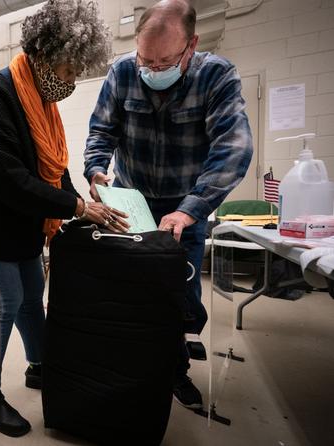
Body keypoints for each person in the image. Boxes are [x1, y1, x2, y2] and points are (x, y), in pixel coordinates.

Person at [0, 0, 129, 437]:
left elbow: (54, 166)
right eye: (65, 72)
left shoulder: (41, 103)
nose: (69, 83)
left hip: (18, 221)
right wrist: (77, 208)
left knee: (31, 293)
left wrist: (82, 203)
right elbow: (7, 178)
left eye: (75, 75)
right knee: (4, 300)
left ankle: (40, 366)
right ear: (43, 54)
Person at [84, 0, 253, 409]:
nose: (152, 71)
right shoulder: (123, 72)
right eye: (146, 59)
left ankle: (176, 368)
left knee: (180, 291)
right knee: (134, 288)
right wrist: (95, 170)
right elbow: (101, 129)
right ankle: (142, 362)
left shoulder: (216, 76)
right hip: (132, 202)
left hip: (184, 206)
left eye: (165, 63)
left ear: (191, 45)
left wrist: (191, 208)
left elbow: (234, 148)